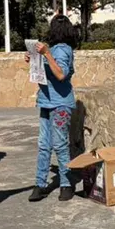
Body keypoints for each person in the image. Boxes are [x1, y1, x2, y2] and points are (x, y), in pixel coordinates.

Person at [25, 15, 77, 202]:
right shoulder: (55, 49)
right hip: (47, 101)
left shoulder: (62, 50)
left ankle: (65, 183)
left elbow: (61, 74)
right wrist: (33, 59)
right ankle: (40, 183)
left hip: (60, 103)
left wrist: (46, 54)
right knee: (44, 145)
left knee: (59, 144)